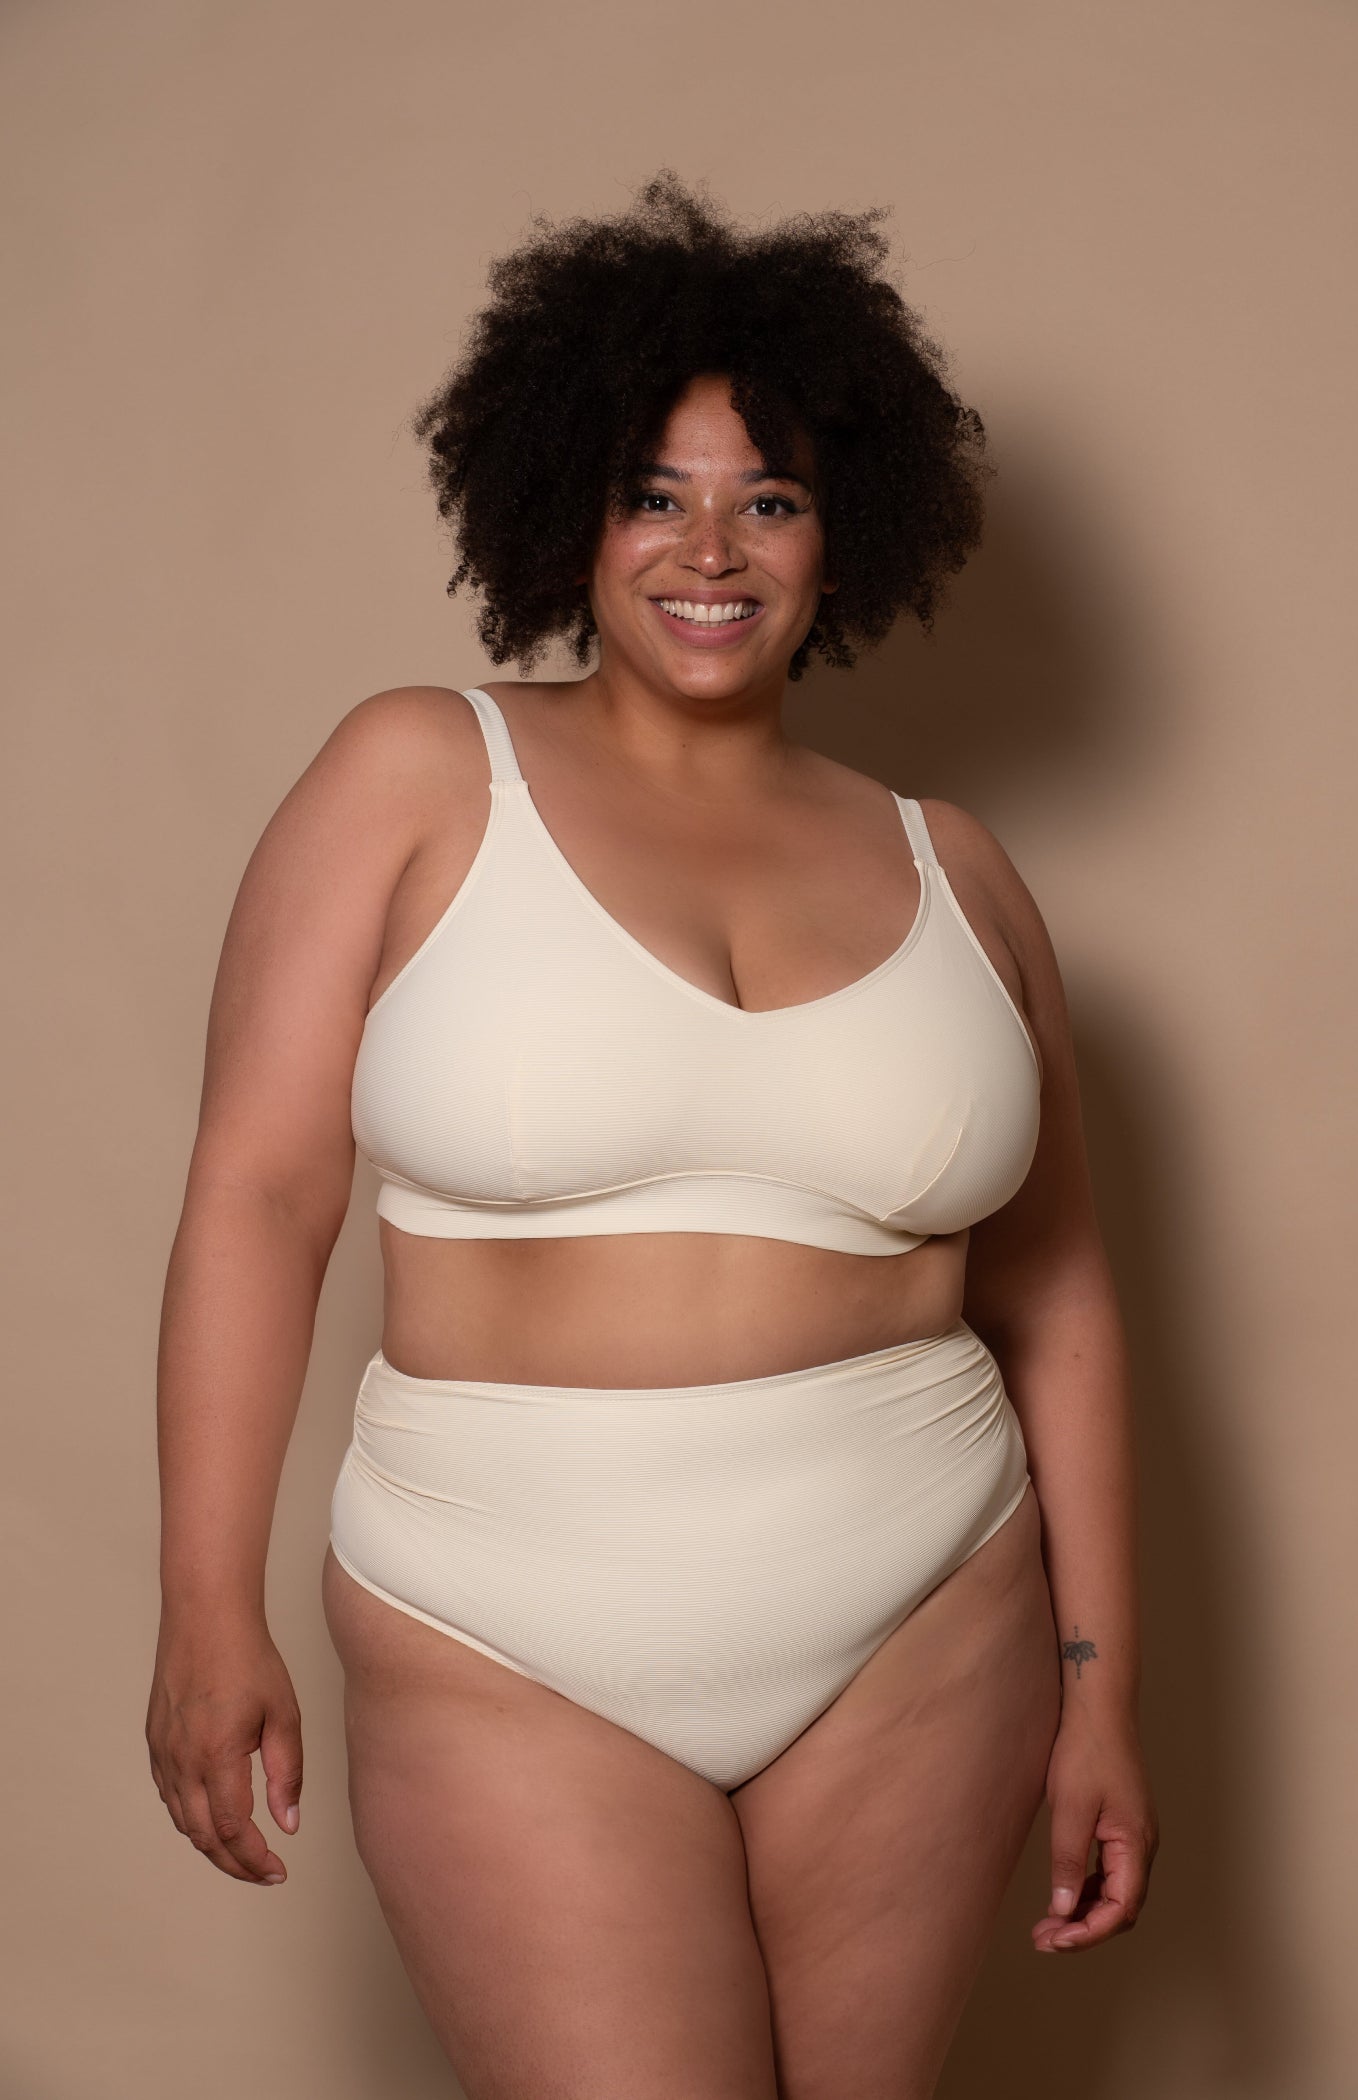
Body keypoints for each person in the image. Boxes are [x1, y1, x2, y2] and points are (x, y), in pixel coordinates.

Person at [146, 171, 1159, 2098]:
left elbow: (1064, 1300)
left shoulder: (961, 872)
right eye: (653, 494)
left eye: (767, 497)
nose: (712, 549)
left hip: (926, 1617)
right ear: (566, 518)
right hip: (501, 1617)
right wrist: (207, 1604)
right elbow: (258, 1195)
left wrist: (1104, 1693)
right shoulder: (413, 773)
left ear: (842, 537)